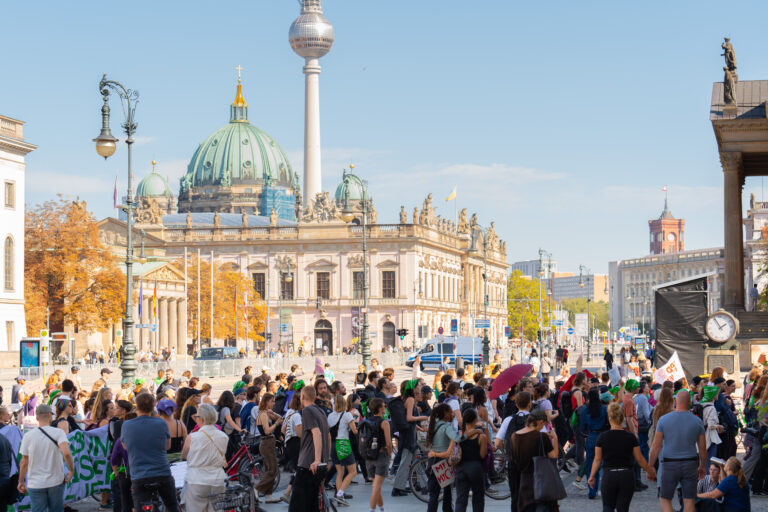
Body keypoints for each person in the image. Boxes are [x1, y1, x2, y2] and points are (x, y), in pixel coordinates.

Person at [588, 402, 657, 512]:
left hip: (609, 474)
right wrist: (650, 471)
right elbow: (640, 459)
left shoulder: (602, 437)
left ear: (609, 418)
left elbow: (597, 459)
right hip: (627, 475)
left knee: (608, 507)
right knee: (623, 508)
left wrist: (592, 476)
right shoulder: (630, 437)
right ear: (622, 418)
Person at [649, 390, 706, 512]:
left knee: (665, 498)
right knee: (689, 500)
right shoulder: (697, 421)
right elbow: (702, 448)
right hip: (690, 462)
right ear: (689, 402)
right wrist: (702, 466)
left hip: (669, 463)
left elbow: (656, 446)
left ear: (675, 402)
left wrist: (650, 465)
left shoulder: (663, 420)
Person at [121, 393, 179, 512]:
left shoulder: (127, 425)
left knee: (141, 508)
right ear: (153, 407)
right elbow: (167, 446)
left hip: (139, 475)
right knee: (172, 506)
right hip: (162, 472)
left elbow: (125, 446)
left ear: (136, 406)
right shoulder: (161, 423)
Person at [17, 404, 75, 512]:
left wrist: (21, 481)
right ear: (49, 415)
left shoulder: (28, 436)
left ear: (37, 417)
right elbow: (66, 453)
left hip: (35, 482)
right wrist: (71, 470)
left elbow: (24, 461)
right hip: (55, 481)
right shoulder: (58, 432)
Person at [181, 403, 231, 512]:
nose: (196, 419)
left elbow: (184, 455)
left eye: (197, 416)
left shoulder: (192, 437)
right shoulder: (223, 436)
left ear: (202, 419)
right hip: (217, 479)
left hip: (197, 479)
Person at [288, 385, 330, 512]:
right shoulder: (321, 411)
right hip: (318, 465)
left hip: (308, 465)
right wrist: (325, 459)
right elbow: (327, 435)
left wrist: (317, 460)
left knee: (297, 506)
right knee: (312, 505)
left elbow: (316, 433)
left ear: (302, 397)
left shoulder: (307, 411)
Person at [508, 409, 559, 512]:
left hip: (524, 480)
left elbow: (513, 458)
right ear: (540, 422)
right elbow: (554, 456)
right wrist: (555, 438)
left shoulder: (514, 436)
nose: (542, 428)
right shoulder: (541, 437)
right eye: (543, 425)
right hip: (540, 480)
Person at [426, 403, 467, 512]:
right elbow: (457, 439)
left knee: (433, 495)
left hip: (432, 462)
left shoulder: (434, 425)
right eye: (450, 412)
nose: (452, 414)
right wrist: (470, 433)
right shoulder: (446, 427)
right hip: (443, 463)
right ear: (445, 414)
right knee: (447, 494)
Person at [455, 408, 488, 512]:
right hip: (476, 468)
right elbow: (483, 455)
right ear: (475, 420)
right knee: (478, 499)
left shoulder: (459, 435)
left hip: (460, 468)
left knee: (461, 500)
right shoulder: (481, 436)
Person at [328, 395, 357, 506]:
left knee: (340, 472)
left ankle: (339, 497)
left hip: (334, 444)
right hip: (343, 443)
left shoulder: (330, 416)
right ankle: (340, 494)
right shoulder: (347, 415)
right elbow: (354, 431)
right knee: (352, 471)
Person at [580, 387, 609, 499]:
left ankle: (592, 490)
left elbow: (582, 427)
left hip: (591, 436)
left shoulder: (585, 410)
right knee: (605, 463)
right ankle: (604, 488)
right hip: (603, 436)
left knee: (590, 464)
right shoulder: (604, 409)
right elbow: (608, 423)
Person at [365, 397, 392, 512]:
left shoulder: (367, 420)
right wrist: (390, 455)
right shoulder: (384, 422)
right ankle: (372, 510)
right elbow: (389, 443)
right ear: (381, 409)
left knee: (376, 486)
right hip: (381, 455)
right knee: (376, 487)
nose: (385, 408)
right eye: (384, 406)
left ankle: (381, 509)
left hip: (369, 456)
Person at [255, 393, 283, 503]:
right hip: (267, 443)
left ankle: (269, 495)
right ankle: (257, 489)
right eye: (272, 401)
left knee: (269, 469)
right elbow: (267, 431)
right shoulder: (263, 414)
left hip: (268, 443)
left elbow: (281, 418)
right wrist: (276, 423)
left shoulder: (266, 413)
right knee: (273, 470)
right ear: (267, 401)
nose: (274, 403)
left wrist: (273, 413)